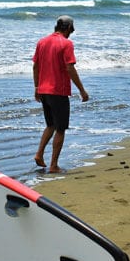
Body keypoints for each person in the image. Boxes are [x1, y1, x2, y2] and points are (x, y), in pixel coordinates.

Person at [32, 15, 89, 173]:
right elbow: (70, 68)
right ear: (69, 28)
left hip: (43, 89)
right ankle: (54, 165)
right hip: (58, 91)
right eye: (72, 28)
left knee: (50, 125)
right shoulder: (66, 43)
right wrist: (82, 90)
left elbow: (35, 67)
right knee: (60, 128)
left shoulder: (42, 42)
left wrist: (37, 87)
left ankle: (39, 154)